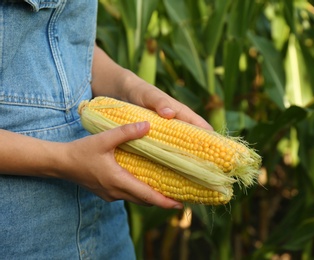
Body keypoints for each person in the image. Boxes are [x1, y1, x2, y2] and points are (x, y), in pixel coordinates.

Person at [0, 1, 212, 259]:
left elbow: (66, 39)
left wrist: (129, 85)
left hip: (104, 220)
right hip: (20, 233)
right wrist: (63, 160)